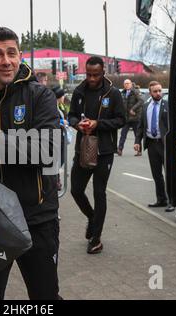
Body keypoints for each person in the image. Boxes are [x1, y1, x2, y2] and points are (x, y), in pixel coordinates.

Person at [0, 27, 61, 300]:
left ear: (19, 56)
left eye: (11, 53)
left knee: (45, 297)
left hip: (35, 218)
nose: (6, 60)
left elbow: (49, 151)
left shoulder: (40, 96)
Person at [68, 56, 125, 254]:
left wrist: (97, 124)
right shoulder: (79, 92)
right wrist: (78, 124)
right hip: (83, 149)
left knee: (99, 193)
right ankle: (92, 218)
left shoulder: (113, 93)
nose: (92, 79)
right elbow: (71, 116)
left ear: (103, 73)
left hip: (104, 152)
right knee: (75, 190)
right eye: (89, 74)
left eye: (96, 75)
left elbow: (121, 119)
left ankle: (96, 238)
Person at [134, 81, 175, 212]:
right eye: (155, 91)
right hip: (151, 144)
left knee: (168, 173)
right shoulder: (146, 106)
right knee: (156, 174)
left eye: (160, 91)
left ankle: (172, 202)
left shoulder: (168, 105)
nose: (158, 93)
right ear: (150, 93)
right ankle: (161, 199)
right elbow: (141, 125)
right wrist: (137, 141)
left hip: (164, 144)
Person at [117, 79, 144, 156]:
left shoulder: (135, 91)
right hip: (126, 118)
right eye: (125, 84)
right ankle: (120, 149)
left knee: (137, 135)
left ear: (131, 84)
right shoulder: (123, 93)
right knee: (123, 134)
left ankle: (139, 151)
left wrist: (133, 109)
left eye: (128, 83)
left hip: (135, 117)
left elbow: (141, 101)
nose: (126, 85)